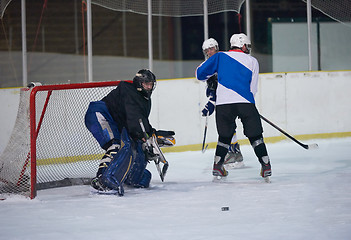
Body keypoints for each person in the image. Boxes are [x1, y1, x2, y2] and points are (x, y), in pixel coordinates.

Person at [85, 69, 174, 196]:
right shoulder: (129, 91)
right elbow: (134, 119)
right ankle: (101, 181)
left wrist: (150, 134)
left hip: (116, 122)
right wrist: (146, 135)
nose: (149, 87)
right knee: (115, 145)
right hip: (99, 114)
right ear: (139, 83)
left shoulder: (144, 99)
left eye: (151, 84)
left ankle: (130, 177)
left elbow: (140, 122)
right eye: (146, 84)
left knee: (135, 148)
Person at [196, 33, 272, 181]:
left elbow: (200, 74)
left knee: (224, 137)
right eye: (247, 46)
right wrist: (247, 104)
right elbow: (253, 88)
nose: (248, 48)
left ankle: (218, 166)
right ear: (243, 45)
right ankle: (266, 164)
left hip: (224, 104)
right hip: (246, 102)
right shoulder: (253, 61)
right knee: (255, 135)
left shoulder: (220, 57)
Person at [201, 38, 244, 166]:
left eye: (211, 48)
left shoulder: (224, 61)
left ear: (217, 48)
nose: (209, 52)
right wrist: (211, 100)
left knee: (227, 125)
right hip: (223, 100)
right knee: (227, 125)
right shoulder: (209, 64)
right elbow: (211, 87)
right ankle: (235, 152)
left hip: (231, 98)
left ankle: (234, 152)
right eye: (207, 50)